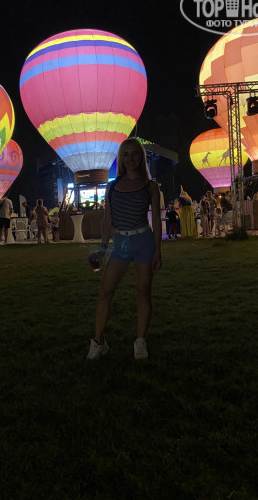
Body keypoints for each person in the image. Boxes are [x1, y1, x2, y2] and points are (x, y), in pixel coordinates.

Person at [87, 137, 162, 360]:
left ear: (141, 157)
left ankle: (140, 341)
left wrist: (158, 251)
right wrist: (103, 248)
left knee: (143, 292)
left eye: (134, 154)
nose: (130, 158)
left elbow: (157, 221)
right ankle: (98, 341)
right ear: (121, 158)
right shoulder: (112, 187)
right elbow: (108, 219)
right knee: (105, 291)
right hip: (120, 243)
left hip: (143, 242)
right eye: (126, 154)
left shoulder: (151, 187)